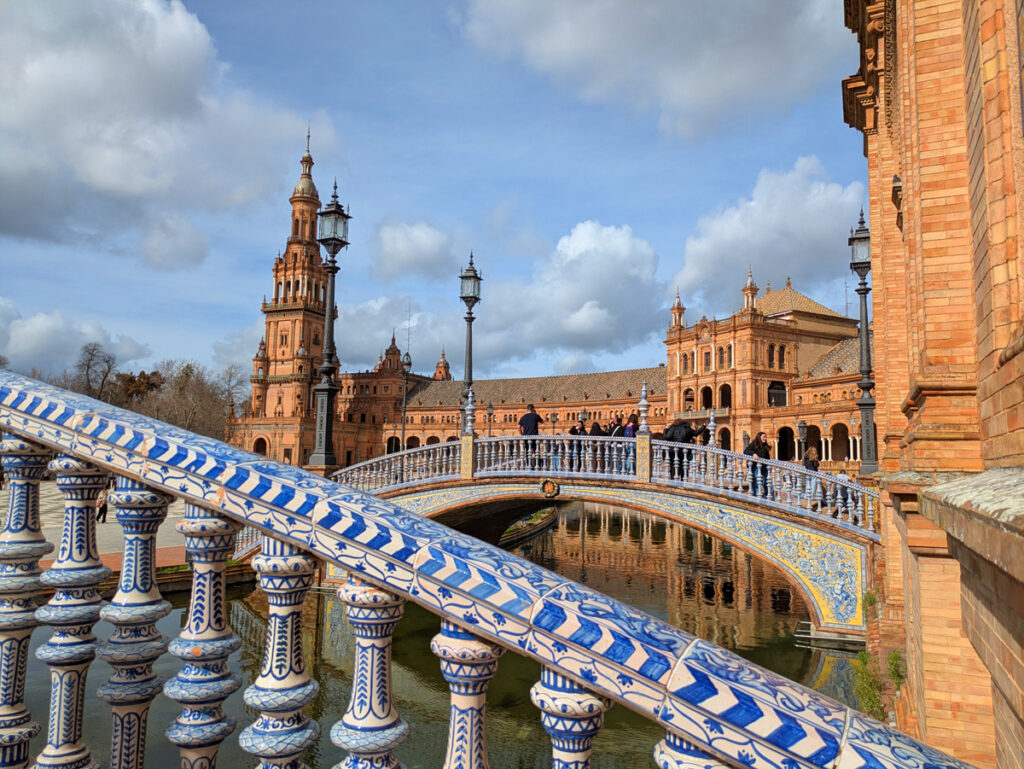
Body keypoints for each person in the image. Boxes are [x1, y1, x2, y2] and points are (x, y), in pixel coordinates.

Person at [743, 432, 772, 498]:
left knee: (768, 484)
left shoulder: (765, 446)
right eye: (763, 437)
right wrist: (753, 454)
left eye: (765, 437)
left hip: (764, 468)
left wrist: (769, 469)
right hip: (755, 467)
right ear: (759, 437)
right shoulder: (754, 444)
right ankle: (756, 498)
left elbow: (768, 458)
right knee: (756, 483)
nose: (765, 438)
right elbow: (745, 451)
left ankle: (768, 499)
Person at [518, 404, 544, 469]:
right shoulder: (535, 416)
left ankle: (528, 465)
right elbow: (542, 422)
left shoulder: (523, 417)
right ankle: (536, 465)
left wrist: (522, 434)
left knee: (527, 451)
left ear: (527, 409)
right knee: (536, 451)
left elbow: (518, 427)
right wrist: (535, 414)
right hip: (534, 437)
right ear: (533, 409)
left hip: (526, 437)